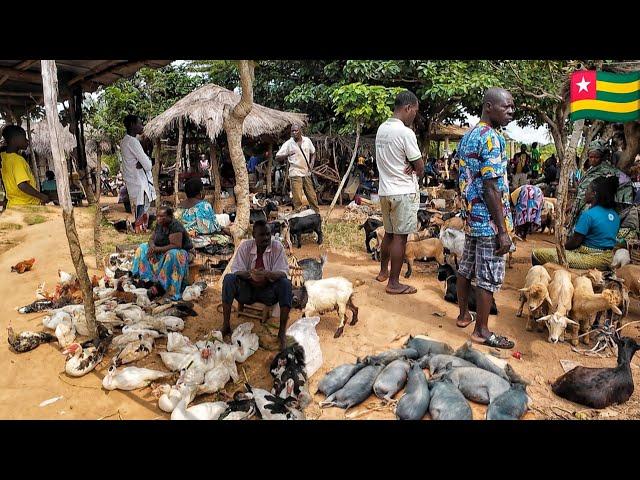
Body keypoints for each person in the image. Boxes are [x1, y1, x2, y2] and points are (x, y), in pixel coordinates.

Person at [456, 87, 515, 350]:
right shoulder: (491, 138)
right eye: (507, 107)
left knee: (466, 268)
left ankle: (462, 315)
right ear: (489, 107)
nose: (511, 112)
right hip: (489, 221)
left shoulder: (468, 136)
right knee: (488, 276)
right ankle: (482, 330)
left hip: (471, 218)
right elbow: (491, 186)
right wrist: (502, 230)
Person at [374, 90, 425, 295]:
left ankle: (383, 272)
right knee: (401, 238)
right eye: (415, 111)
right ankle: (394, 283)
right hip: (403, 191)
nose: (415, 115)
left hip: (385, 191)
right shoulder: (405, 133)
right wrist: (415, 168)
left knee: (389, 233)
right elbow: (420, 166)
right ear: (408, 108)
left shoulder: (381, 129)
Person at [221, 220, 291, 350]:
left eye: (268, 234)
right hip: (247, 291)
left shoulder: (277, 247)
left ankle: (282, 333)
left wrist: (268, 274)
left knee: (286, 284)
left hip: (268, 292)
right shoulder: (245, 247)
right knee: (229, 279)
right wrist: (250, 274)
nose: (266, 238)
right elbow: (236, 270)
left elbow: (283, 272)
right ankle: (226, 325)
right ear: (254, 235)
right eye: (262, 235)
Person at [532, 176, 621, 270]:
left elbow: (575, 243)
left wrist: (560, 247)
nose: (585, 193)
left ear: (594, 194)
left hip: (590, 258)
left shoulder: (589, 215)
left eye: (587, 190)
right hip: (608, 257)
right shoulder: (615, 215)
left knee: (537, 254)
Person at [568, 140, 634, 232]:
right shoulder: (590, 171)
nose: (593, 160)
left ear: (602, 157)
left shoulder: (608, 172)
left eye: (596, 157)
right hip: (582, 211)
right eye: (591, 157)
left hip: (595, 213)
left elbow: (624, 185)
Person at [131, 206, 192, 300]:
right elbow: (151, 239)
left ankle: (166, 288)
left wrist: (156, 249)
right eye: (158, 216)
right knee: (142, 247)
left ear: (170, 217)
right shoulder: (159, 224)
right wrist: (152, 247)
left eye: (162, 216)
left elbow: (176, 245)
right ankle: (143, 279)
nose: (159, 219)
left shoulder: (175, 226)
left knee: (173, 254)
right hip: (161, 250)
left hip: (179, 252)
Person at [120, 115, 157, 228]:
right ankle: (140, 229)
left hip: (133, 180)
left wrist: (143, 162)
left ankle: (140, 228)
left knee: (139, 207)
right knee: (142, 208)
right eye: (140, 123)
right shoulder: (133, 142)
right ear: (132, 125)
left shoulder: (124, 141)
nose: (142, 126)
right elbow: (148, 165)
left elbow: (143, 164)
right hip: (139, 181)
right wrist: (148, 160)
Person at [0, 125, 50, 207]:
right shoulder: (17, 160)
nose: (27, 140)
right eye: (24, 137)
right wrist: (42, 196)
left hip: (13, 204)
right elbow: (22, 185)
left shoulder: (3, 157)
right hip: (26, 206)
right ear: (14, 140)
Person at [275, 124, 319, 213]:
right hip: (295, 173)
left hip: (306, 172)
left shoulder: (307, 141)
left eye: (296, 131)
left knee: (311, 195)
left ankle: (316, 214)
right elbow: (277, 157)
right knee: (297, 197)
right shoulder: (288, 144)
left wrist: (311, 163)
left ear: (300, 131)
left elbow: (313, 152)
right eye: (292, 131)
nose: (294, 133)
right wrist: (287, 155)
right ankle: (298, 215)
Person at [176, 177, 232, 246]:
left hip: (182, 240)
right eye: (203, 189)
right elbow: (208, 229)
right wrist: (222, 229)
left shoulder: (180, 205)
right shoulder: (204, 205)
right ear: (200, 192)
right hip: (196, 241)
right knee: (228, 239)